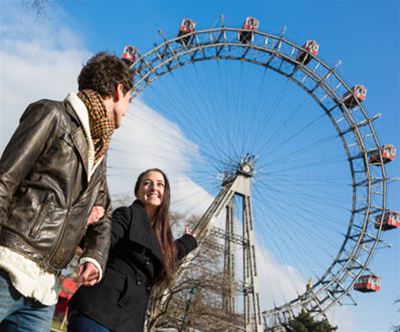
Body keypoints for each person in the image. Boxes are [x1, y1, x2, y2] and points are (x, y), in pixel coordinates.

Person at [0, 52, 133, 331]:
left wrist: (94, 256)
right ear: (120, 90)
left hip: (45, 288)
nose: (128, 108)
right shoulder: (52, 115)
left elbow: (104, 212)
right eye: (130, 99)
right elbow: (5, 179)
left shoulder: (99, 150)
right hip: (8, 266)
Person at [68, 168, 198, 332]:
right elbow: (106, 239)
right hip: (99, 310)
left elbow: (168, 254)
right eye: (147, 183)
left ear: (165, 194)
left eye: (160, 184)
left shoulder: (162, 237)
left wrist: (188, 241)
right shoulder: (126, 214)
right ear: (137, 191)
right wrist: (89, 232)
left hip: (129, 320)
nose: (154, 188)